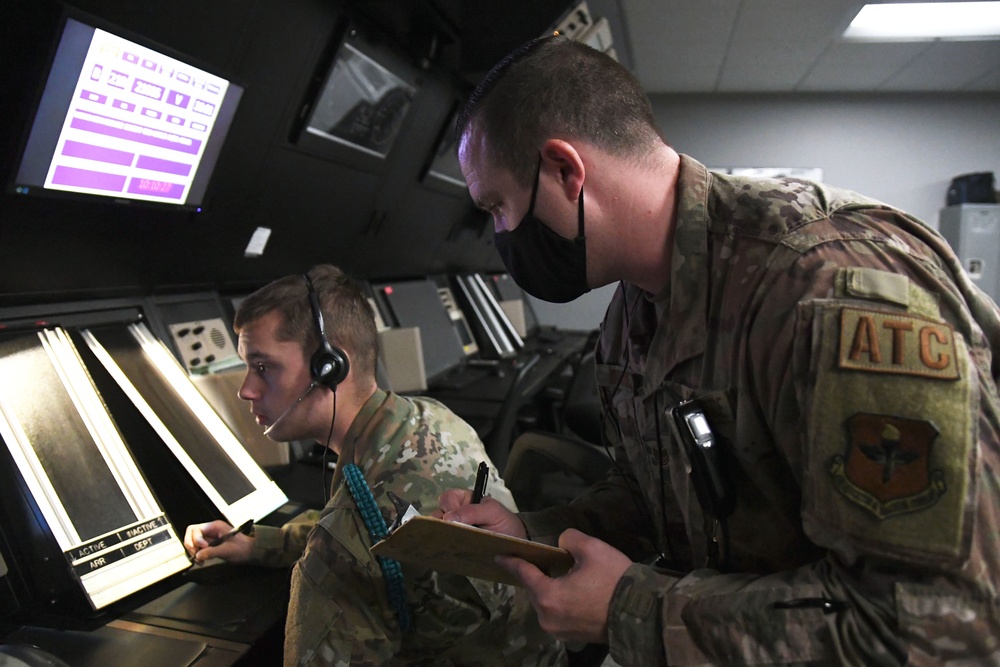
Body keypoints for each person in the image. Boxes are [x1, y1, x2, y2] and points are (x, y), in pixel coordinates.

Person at [438, 34, 1000, 665]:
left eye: (497, 206)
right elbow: (660, 496)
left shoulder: (826, 290)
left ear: (566, 171)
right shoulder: (636, 310)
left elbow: (939, 626)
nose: (498, 234)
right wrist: (532, 535)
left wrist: (632, 612)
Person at [184, 264, 565, 667]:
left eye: (263, 367)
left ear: (329, 367)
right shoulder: (430, 418)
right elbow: (372, 530)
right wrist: (258, 544)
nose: (246, 389)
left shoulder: (343, 539)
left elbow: (354, 536)